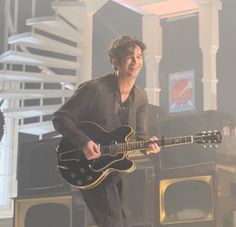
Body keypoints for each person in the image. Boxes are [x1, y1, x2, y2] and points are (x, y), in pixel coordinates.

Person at [52, 35, 160, 227]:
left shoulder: (141, 97)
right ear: (115, 61)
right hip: (87, 165)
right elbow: (61, 118)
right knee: (112, 223)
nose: (135, 62)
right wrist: (84, 142)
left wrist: (148, 146)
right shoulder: (94, 89)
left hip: (116, 167)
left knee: (125, 222)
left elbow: (140, 136)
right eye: (129, 57)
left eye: (139, 57)